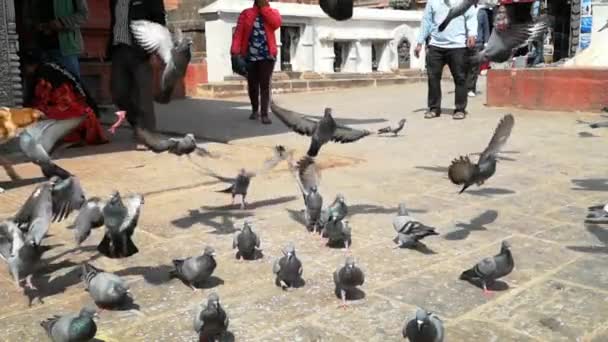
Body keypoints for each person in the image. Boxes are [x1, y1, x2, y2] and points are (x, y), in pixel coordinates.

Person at [21, 49, 108, 146]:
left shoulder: (44, 75)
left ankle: (73, 136)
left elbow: (46, 101)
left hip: (84, 117)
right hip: (88, 113)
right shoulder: (51, 67)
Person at [108, 0, 166, 133]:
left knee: (143, 97)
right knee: (118, 94)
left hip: (141, 52)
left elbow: (159, 22)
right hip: (119, 50)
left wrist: (155, 51)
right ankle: (138, 124)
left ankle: (149, 133)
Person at [415, 0, 477, 120]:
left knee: (460, 78)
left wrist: (472, 34)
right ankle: (434, 108)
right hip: (435, 45)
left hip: (458, 46)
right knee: (433, 78)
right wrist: (419, 42)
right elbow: (426, 21)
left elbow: (471, 17)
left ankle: (460, 109)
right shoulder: (432, 2)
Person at [231, 0, 282, 125]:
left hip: (267, 56)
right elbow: (238, 33)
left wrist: (264, 9)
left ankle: (264, 114)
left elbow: (276, 23)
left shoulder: (272, 12)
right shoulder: (246, 13)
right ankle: (255, 110)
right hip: (250, 56)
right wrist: (235, 52)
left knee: (265, 85)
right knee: (253, 85)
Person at [24, 0, 89, 79]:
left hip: (65, 50)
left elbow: (83, 15)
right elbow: (27, 15)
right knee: (41, 88)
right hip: (39, 51)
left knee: (69, 87)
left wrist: (61, 22)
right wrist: (34, 25)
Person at [466, 3, 491, 97]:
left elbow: (486, 28)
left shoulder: (482, 12)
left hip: (478, 43)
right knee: (464, 66)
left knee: (474, 67)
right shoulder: (464, 10)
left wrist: (486, 42)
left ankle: (471, 88)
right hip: (465, 43)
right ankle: (464, 87)